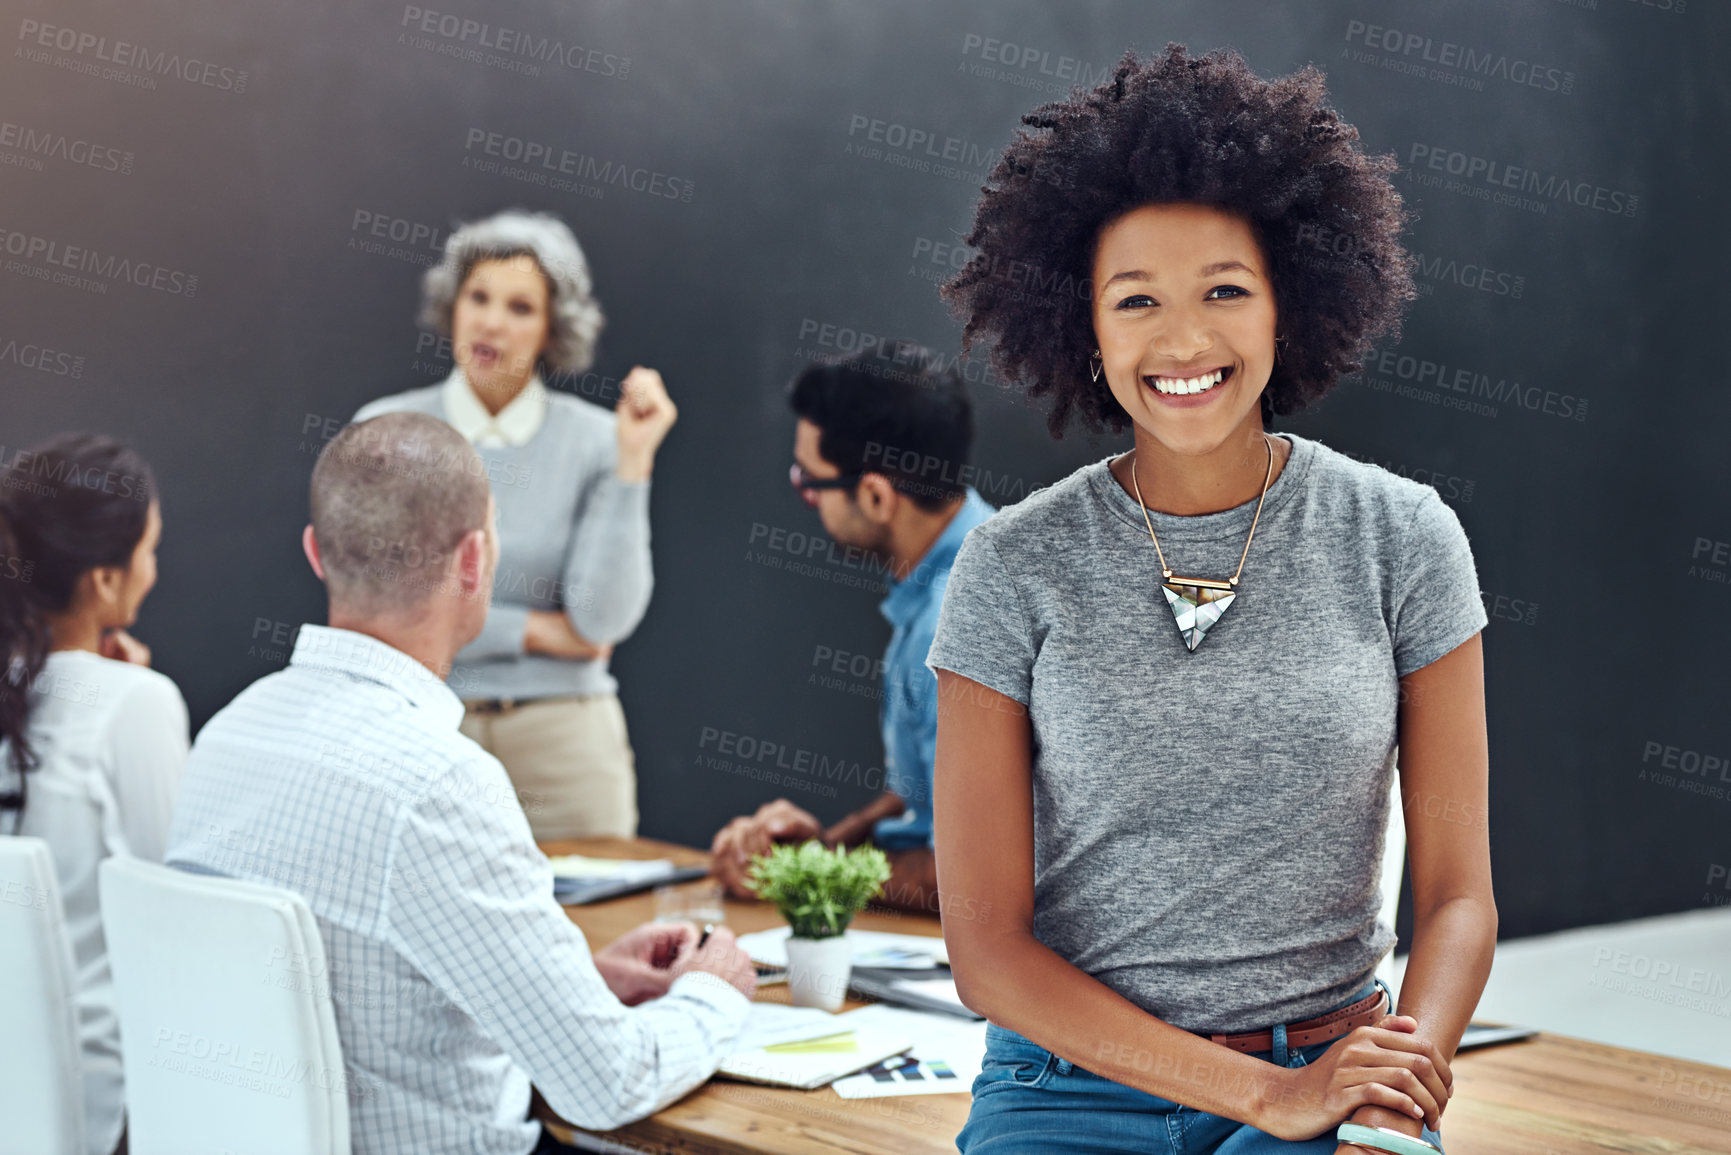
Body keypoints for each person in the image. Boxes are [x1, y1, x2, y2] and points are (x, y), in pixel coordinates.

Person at [927, 46, 1495, 1154]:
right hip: (1068, 1088)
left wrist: (1397, 1080)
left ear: (1291, 301)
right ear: (1085, 328)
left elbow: (1460, 898)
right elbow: (986, 949)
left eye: (1225, 291)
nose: (1184, 341)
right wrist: (1261, 1098)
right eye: (1136, 301)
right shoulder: (1011, 565)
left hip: (1334, 1070)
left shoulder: (1404, 536)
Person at [165, 413, 755, 1155]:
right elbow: (607, 1084)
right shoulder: (438, 781)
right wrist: (714, 988)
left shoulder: (226, 734)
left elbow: (345, 988)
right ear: (475, 559)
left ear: (316, 553)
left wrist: (577, 984)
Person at [356, 209, 678, 841]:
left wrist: (633, 461)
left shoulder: (598, 440)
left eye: (520, 307)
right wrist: (535, 630)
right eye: (478, 297)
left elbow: (602, 622)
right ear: (452, 304)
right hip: (416, 730)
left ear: (553, 329)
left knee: (594, 933)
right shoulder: (385, 431)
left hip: (563, 750)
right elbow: (375, 612)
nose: (492, 322)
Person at [709, 343, 993, 913]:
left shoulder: (959, 622)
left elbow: (975, 876)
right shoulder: (971, 567)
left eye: (809, 482)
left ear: (875, 495)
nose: (807, 497)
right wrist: (825, 846)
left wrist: (804, 873)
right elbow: (925, 801)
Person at [0, 433, 188, 1155]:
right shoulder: (133, 704)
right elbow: (180, 911)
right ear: (105, 582)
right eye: (148, 548)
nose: (153, 568)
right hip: (97, 1111)